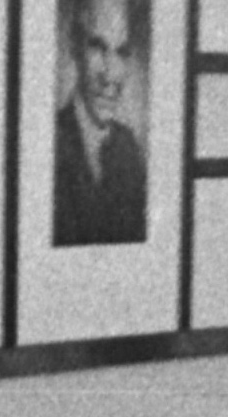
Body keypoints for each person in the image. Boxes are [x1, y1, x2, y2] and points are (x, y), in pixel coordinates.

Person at [52, 0, 148, 246]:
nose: (111, 74)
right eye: (97, 47)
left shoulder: (128, 148)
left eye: (122, 52)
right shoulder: (48, 141)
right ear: (74, 46)